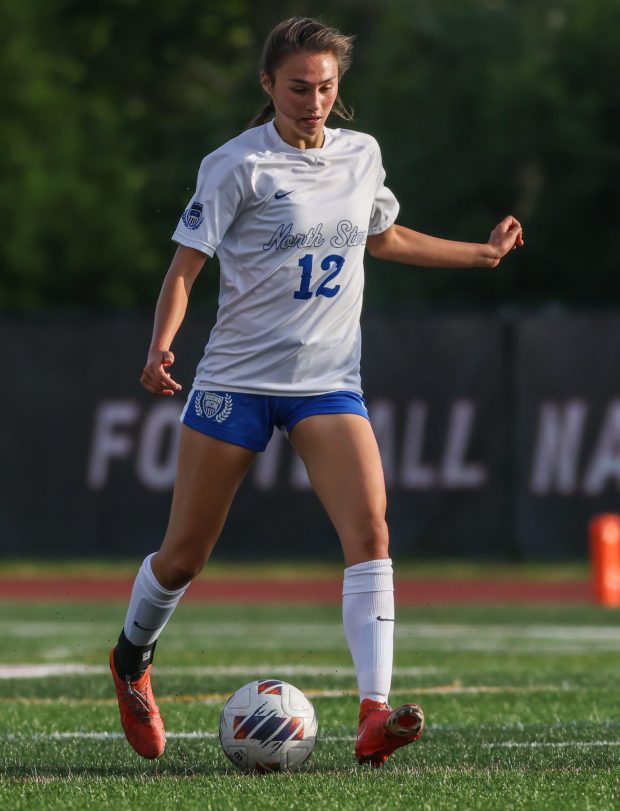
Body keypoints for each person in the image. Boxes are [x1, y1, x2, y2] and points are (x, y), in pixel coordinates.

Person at [109, 16, 524, 768]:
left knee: (371, 532)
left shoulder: (360, 155)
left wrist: (481, 255)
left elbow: (381, 234)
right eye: (298, 87)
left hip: (327, 383)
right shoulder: (236, 165)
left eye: (326, 87)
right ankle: (131, 660)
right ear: (267, 85)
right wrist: (161, 345)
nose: (314, 101)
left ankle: (373, 715)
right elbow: (184, 267)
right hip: (235, 381)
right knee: (184, 556)